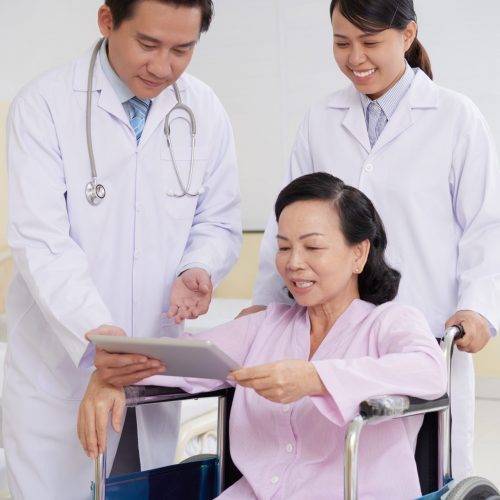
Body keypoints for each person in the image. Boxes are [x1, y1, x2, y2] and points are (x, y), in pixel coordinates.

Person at [245, 0, 500, 480]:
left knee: (422, 473)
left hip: (423, 331)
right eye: (342, 43)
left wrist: (479, 308)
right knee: (333, 472)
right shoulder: (321, 118)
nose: (355, 57)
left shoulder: (455, 117)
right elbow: (290, 219)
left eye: (370, 42)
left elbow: (487, 226)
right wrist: (263, 306)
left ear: (407, 36)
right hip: (331, 335)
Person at [78, 173, 446, 499]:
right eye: (284, 247)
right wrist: (109, 374)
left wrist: (314, 379)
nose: (293, 262)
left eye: (312, 247)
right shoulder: (265, 326)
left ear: (359, 254)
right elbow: (181, 357)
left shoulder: (389, 323)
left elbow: (429, 370)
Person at [4, 0, 241, 498]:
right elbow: (43, 241)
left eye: (183, 49)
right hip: (62, 366)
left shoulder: (204, 109)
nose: (163, 66)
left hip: (156, 363)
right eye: (148, 44)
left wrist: (198, 266)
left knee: (144, 486)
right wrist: (101, 334)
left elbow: (218, 221)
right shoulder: (44, 105)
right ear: (107, 20)